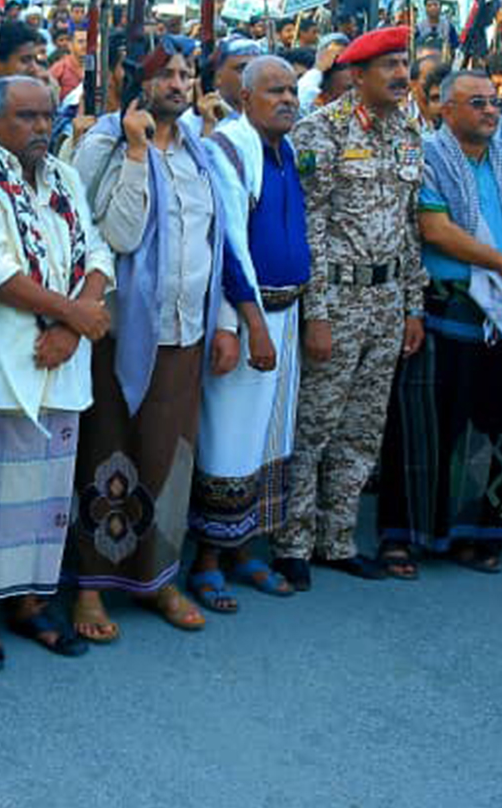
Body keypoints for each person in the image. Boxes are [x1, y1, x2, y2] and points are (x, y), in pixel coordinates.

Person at [0, 74, 112, 669]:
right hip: (2, 363)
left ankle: (33, 603)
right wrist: (75, 319)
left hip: (62, 362)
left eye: (47, 117)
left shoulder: (63, 177)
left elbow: (98, 254)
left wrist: (72, 324)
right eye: (27, 117)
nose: (41, 128)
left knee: (46, 495)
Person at [69, 39, 244, 634]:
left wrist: (223, 323)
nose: (177, 82)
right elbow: (113, 236)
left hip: (185, 331)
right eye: (164, 73)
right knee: (106, 452)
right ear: (139, 82)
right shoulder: (103, 145)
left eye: (185, 73)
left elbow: (219, 244)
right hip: (121, 332)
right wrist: (137, 149)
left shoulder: (201, 152)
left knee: (169, 460)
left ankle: (157, 581)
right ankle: (91, 587)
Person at [275, 25, 427, 588]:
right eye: (387, 66)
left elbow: (410, 226)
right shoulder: (321, 133)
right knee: (313, 426)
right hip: (335, 297)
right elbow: (309, 225)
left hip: (387, 299)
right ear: (356, 76)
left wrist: (412, 304)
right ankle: (292, 541)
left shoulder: (409, 131)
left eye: (403, 64)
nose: (399, 74)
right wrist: (315, 312)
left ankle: (337, 539)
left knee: (363, 429)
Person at [379, 68, 502, 577]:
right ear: (446, 110)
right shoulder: (428, 156)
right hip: (444, 309)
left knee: (490, 426)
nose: (490, 111)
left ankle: (477, 533)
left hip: (500, 312)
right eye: (477, 103)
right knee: (423, 428)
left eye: (494, 102)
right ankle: (405, 538)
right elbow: (436, 229)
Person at [187, 55, 308, 601]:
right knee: (228, 440)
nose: (287, 99)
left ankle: (242, 550)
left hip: (287, 313)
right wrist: (246, 325)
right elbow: (231, 245)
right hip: (245, 316)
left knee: (265, 440)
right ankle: (207, 559)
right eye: (274, 91)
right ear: (245, 100)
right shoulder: (230, 149)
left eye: (292, 91)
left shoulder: (285, 149)